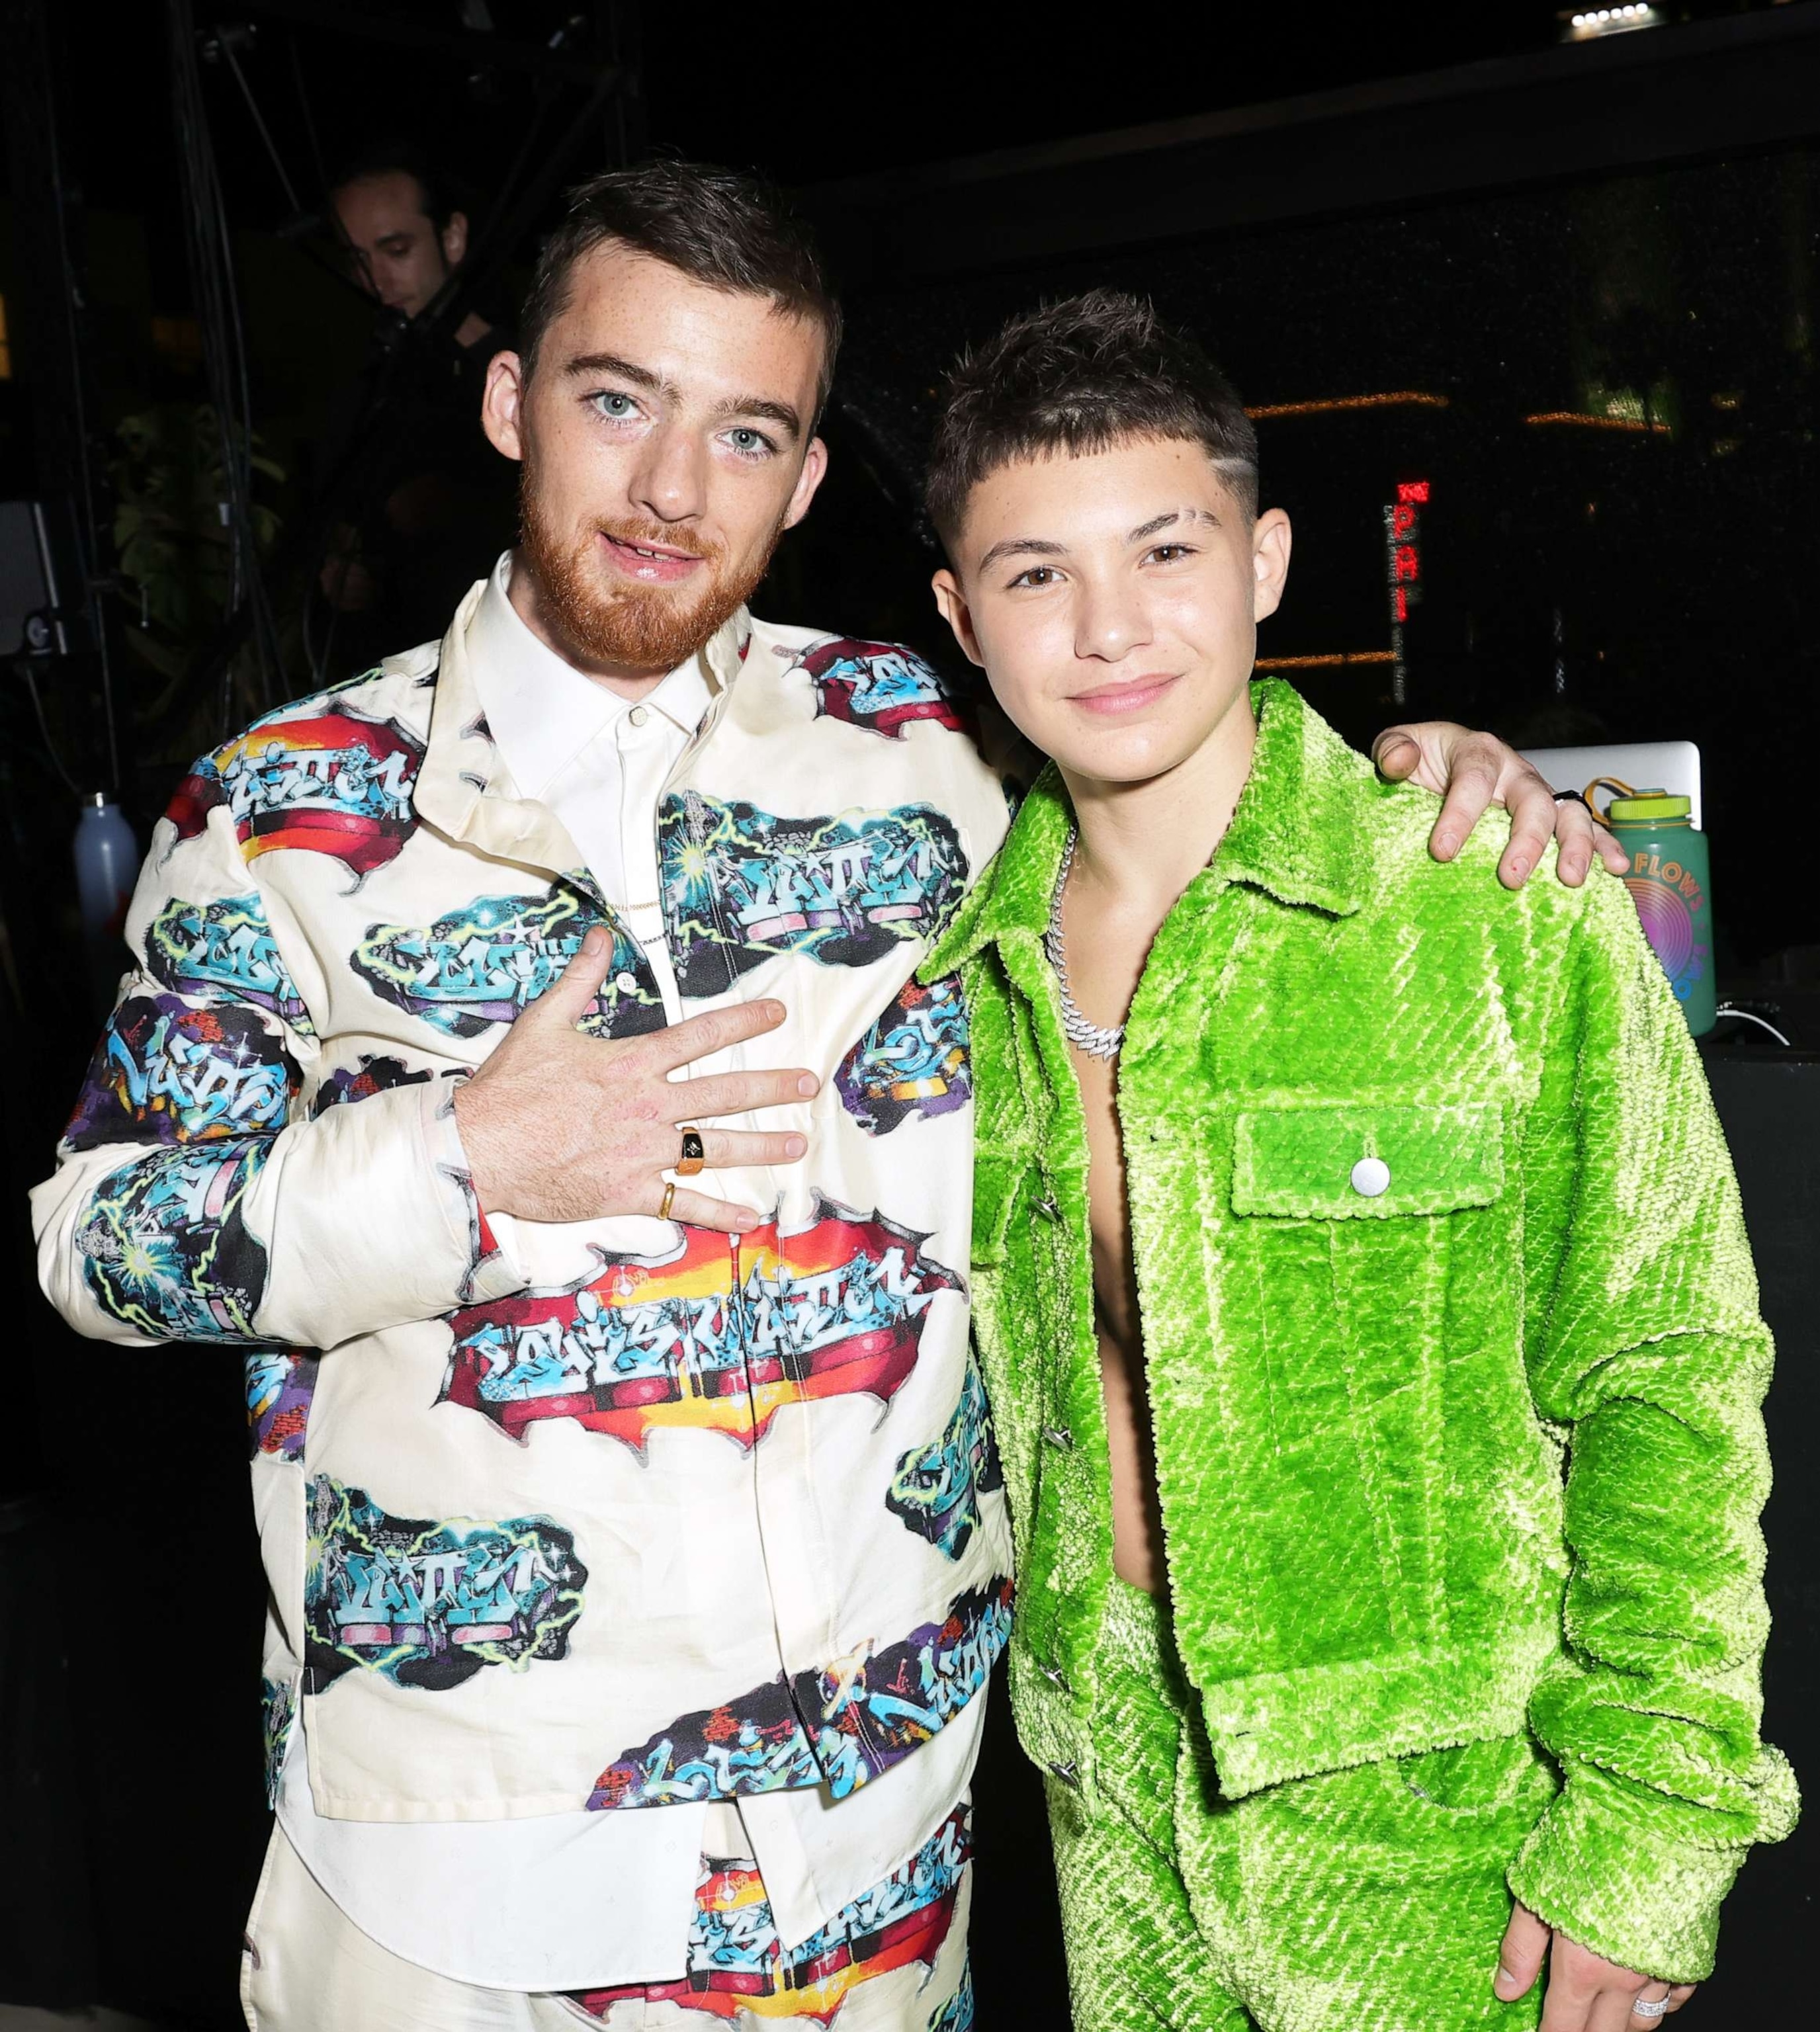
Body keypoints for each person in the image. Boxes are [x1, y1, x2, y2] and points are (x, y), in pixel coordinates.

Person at [34, 167, 1614, 2028]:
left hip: (881, 1874)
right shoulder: (278, 814)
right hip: (471, 1894)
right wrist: (462, 1160)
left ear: (801, 481)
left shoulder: (928, 750)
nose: (667, 488)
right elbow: (95, 1243)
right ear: (506, 403)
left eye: (745, 432)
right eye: (617, 399)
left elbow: (1181, 784)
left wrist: (1429, 787)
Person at [919, 290, 1797, 2032]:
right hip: (1103, 1822)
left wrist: (1642, 1829)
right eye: (1032, 574)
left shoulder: (1493, 909)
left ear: (1263, 560)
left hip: (1438, 1846)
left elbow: (1664, 1378)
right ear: (957, 615)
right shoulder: (942, 978)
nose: (1106, 629)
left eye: (1161, 550)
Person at [316, 140, 517, 669]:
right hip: (393, 671)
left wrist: (456, 508)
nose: (376, 280)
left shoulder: (528, 369)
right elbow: (341, 522)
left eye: (397, 250)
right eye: (358, 260)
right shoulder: (365, 385)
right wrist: (342, 569)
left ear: (452, 237)